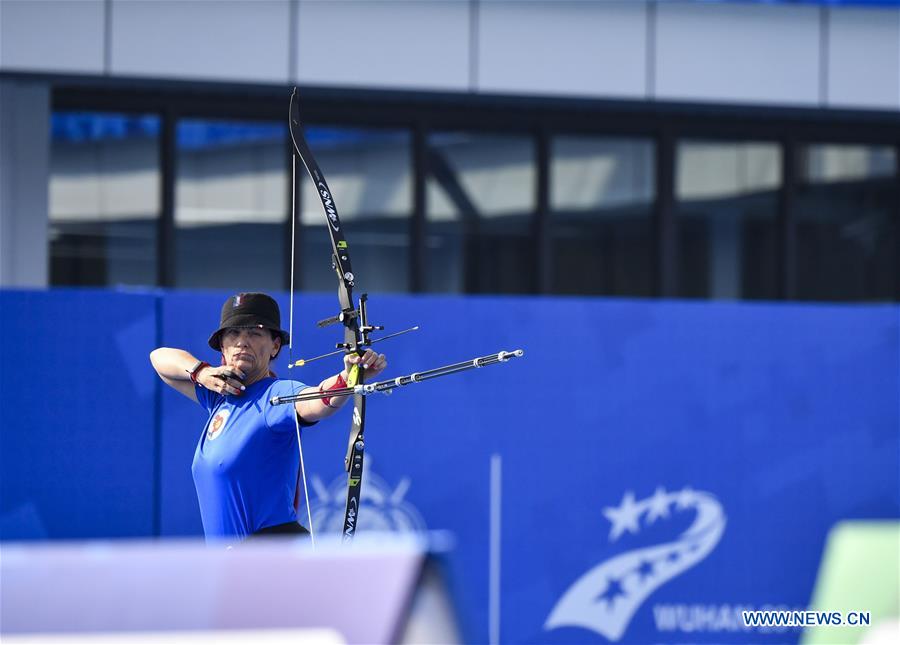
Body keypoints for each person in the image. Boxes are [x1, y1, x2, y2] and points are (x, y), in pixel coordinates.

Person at [149, 292, 386, 542]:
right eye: (233, 333)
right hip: (231, 565)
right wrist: (201, 372)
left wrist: (347, 377)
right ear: (222, 346)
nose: (242, 342)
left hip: (269, 557)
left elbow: (319, 400)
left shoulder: (276, 395)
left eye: (255, 333)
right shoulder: (219, 396)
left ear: (274, 346)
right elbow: (159, 359)